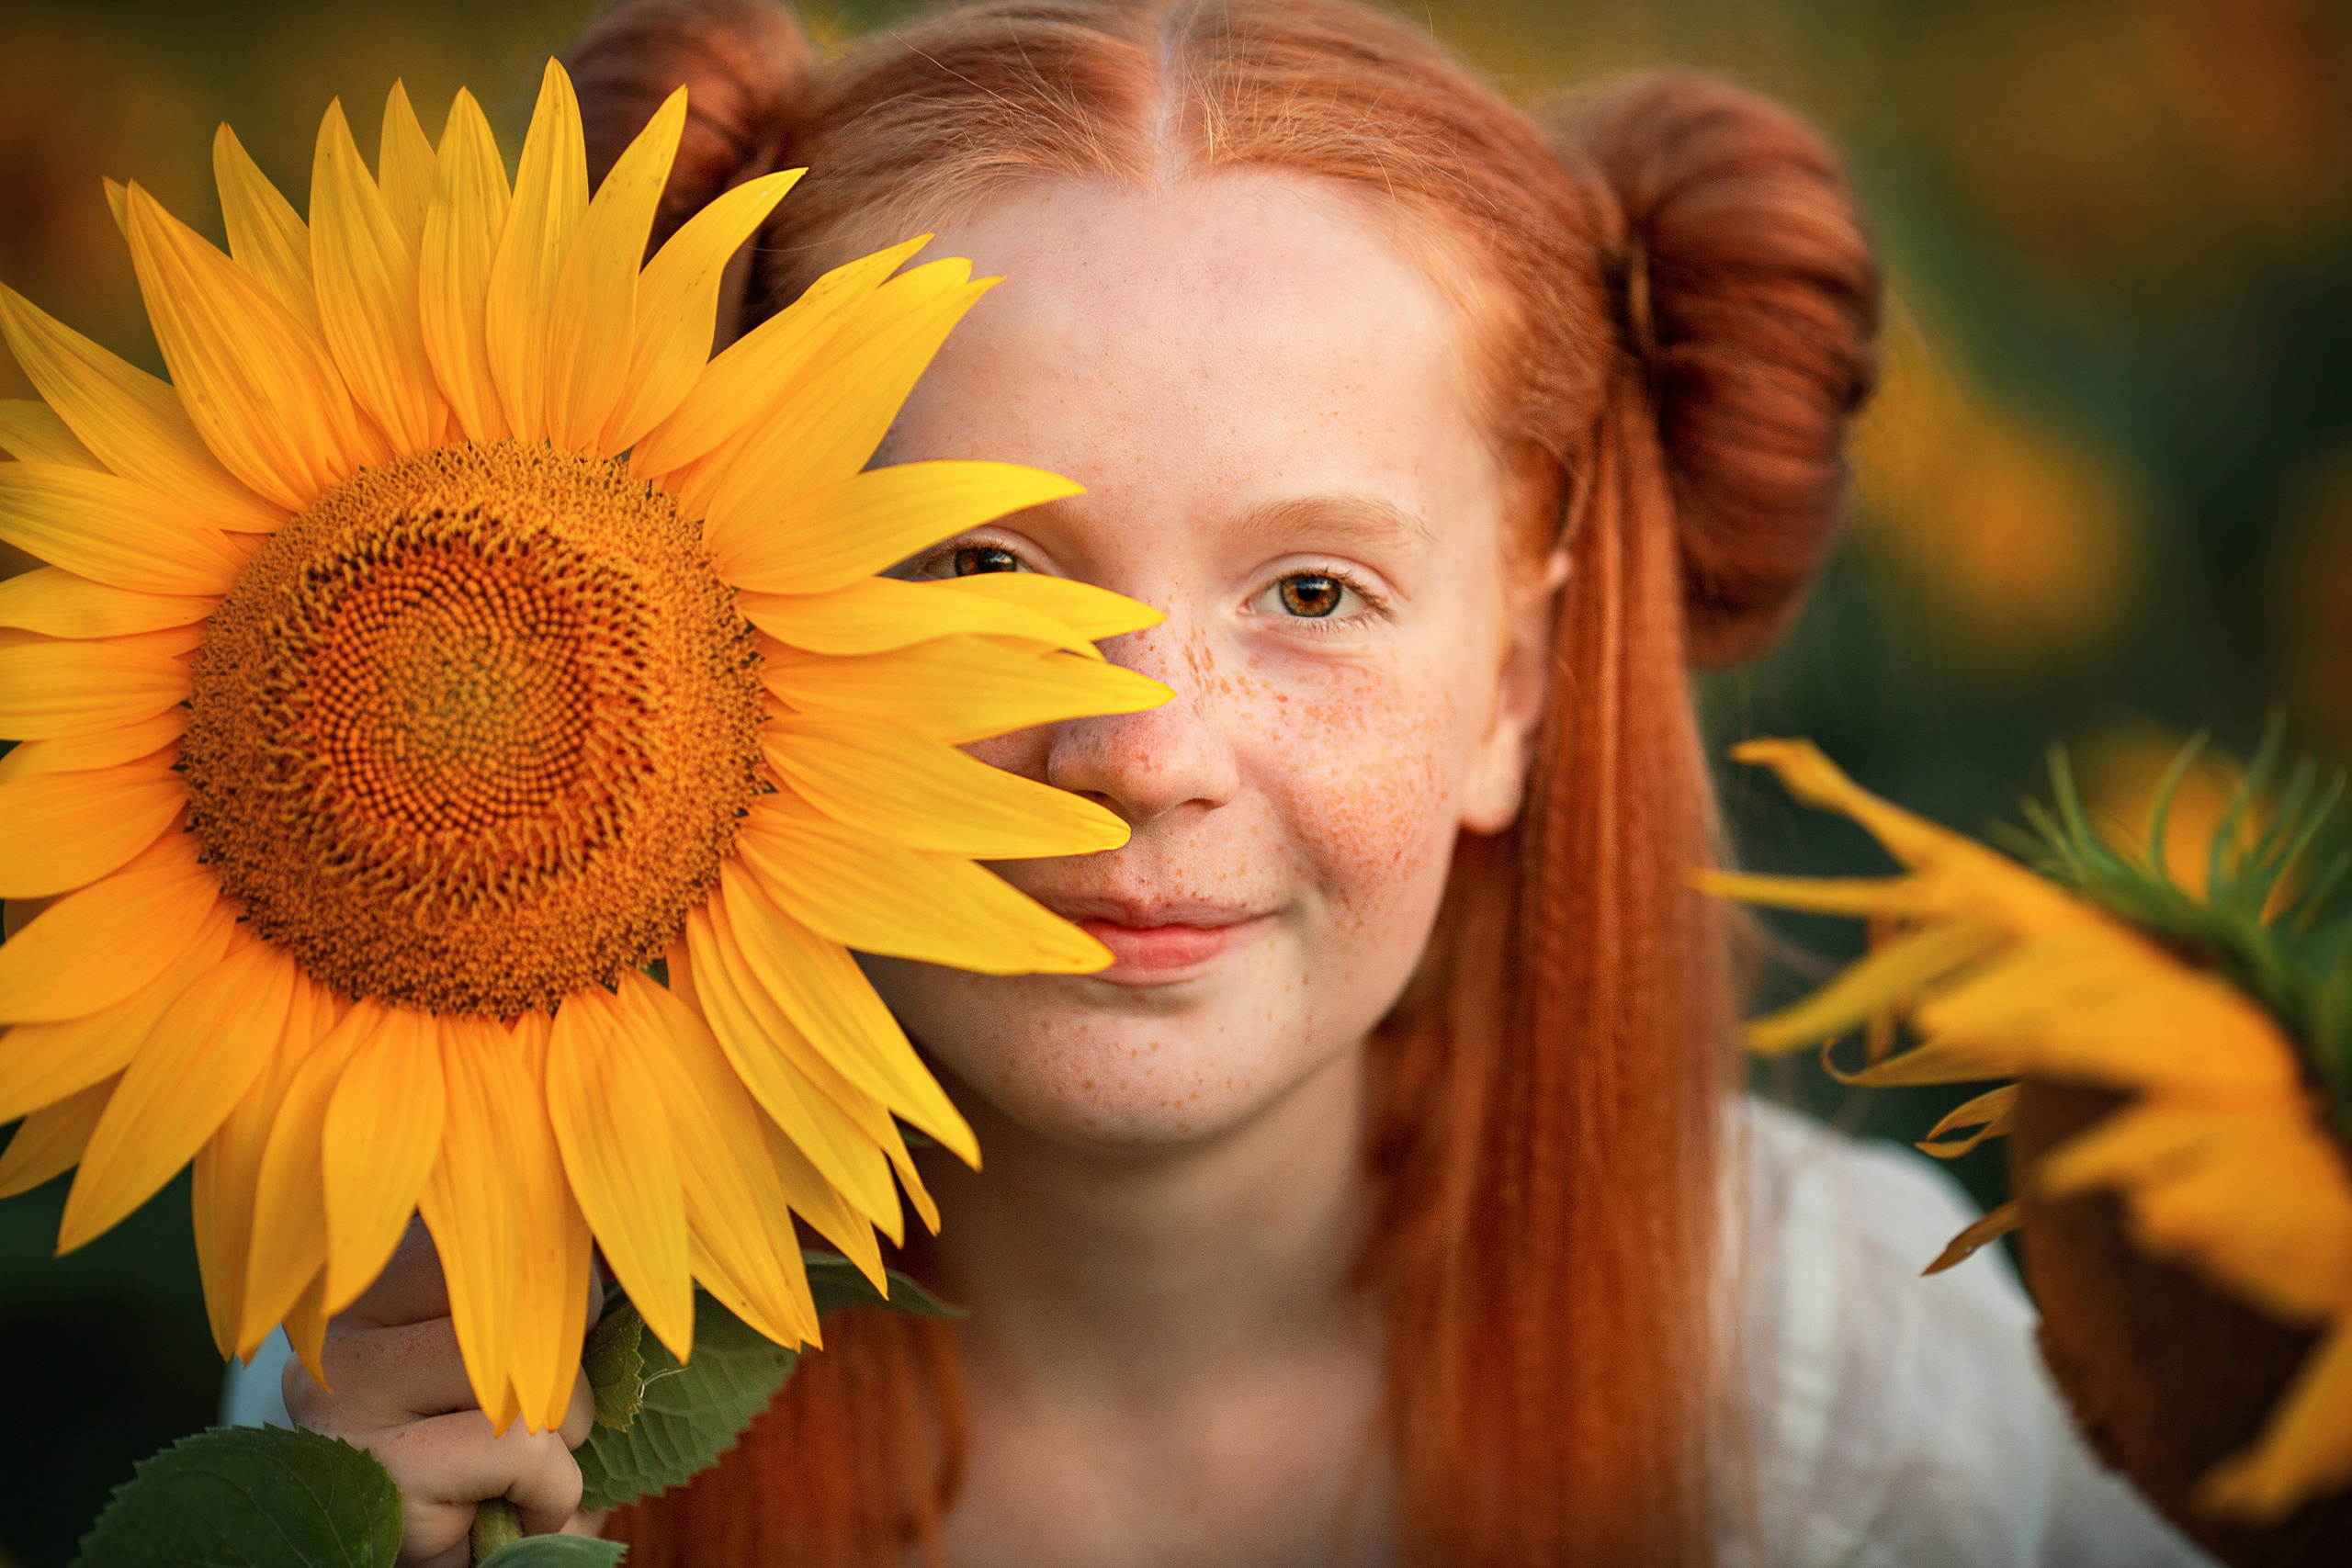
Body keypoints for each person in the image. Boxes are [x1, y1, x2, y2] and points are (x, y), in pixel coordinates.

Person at [266, 0, 2213, 1562]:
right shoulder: (447, 1380)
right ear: (701, 627)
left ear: (1515, 683)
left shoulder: (1858, 1410)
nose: (1145, 750)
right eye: (977, 569)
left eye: (1309, 590)